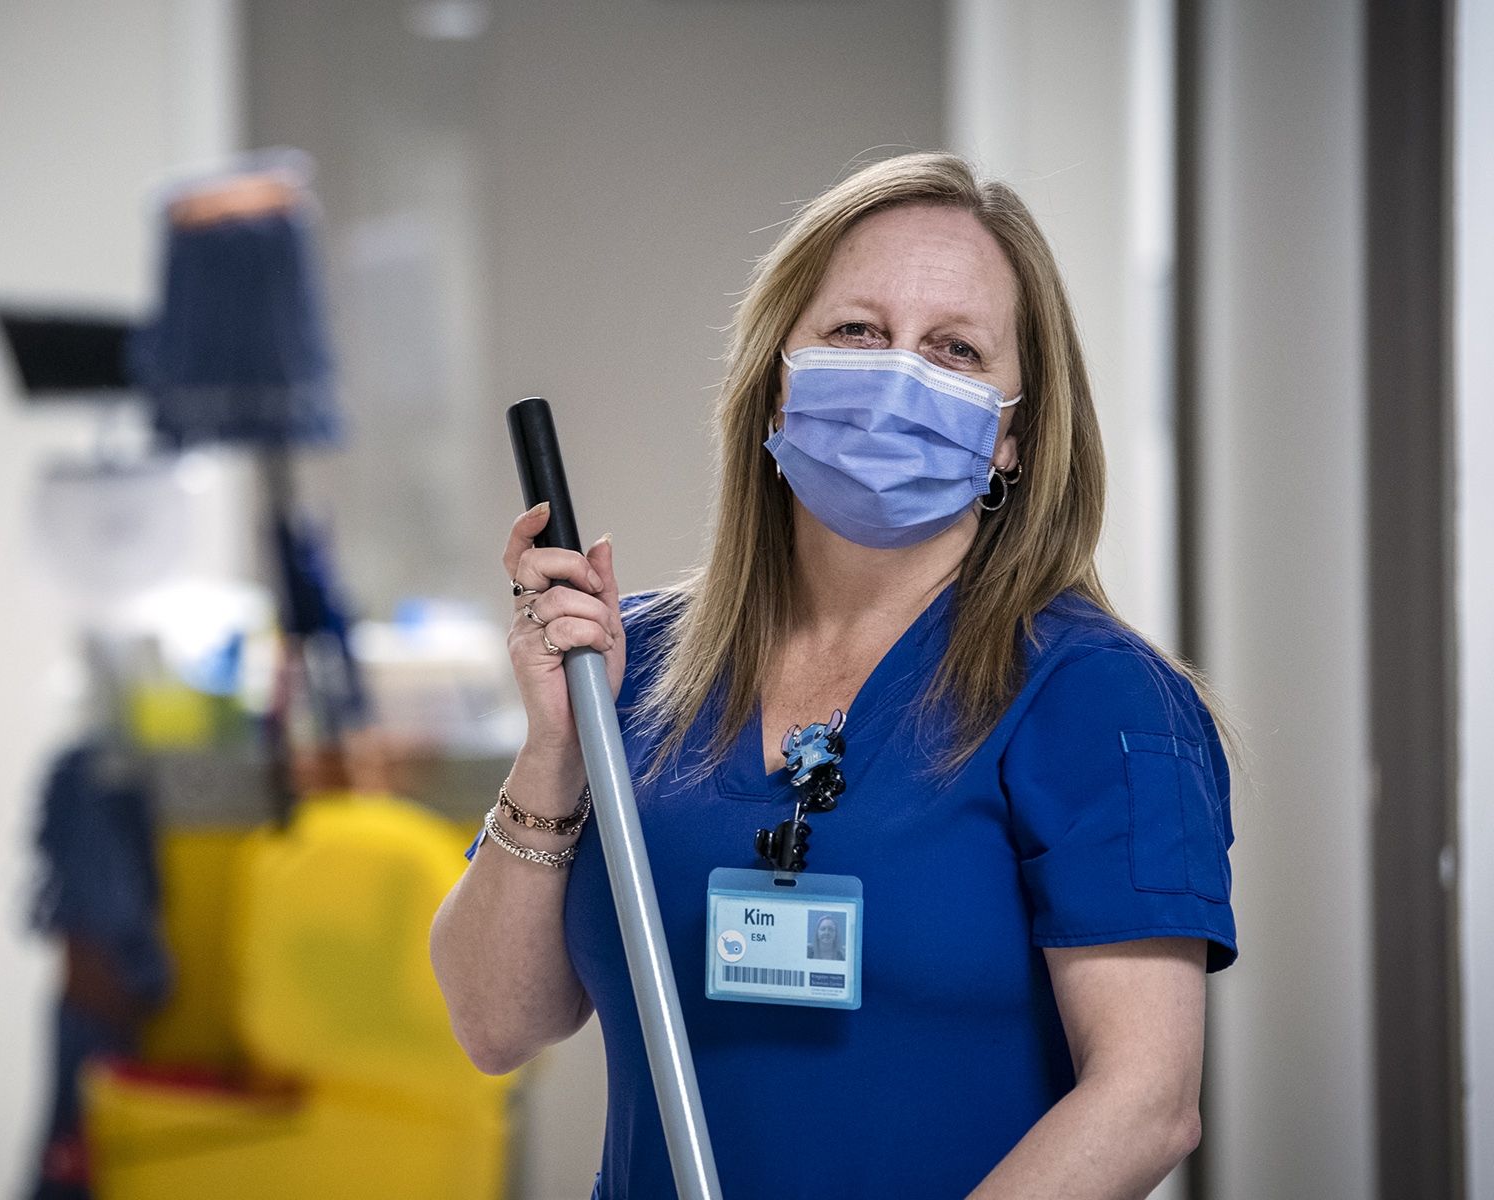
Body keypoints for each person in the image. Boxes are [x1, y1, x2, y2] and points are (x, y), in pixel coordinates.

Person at [430, 151, 1237, 1199]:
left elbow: (1146, 1102)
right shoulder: (626, 670)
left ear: (1014, 439)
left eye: (955, 349)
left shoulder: (1099, 703)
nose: (899, 374)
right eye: (856, 331)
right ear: (776, 381)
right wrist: (553, 750)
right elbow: (497, 1024)